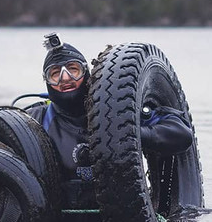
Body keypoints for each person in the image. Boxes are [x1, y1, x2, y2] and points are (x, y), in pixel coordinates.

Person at [23, 34, 194, 186]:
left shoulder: (118, 112)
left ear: (87, 74)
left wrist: (133, 135)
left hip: (122, 214)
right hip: (57, 216)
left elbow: (183, 135)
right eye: (55, 74)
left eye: (74, 70)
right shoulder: (36, 119)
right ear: (47, 82)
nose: (66, 78)